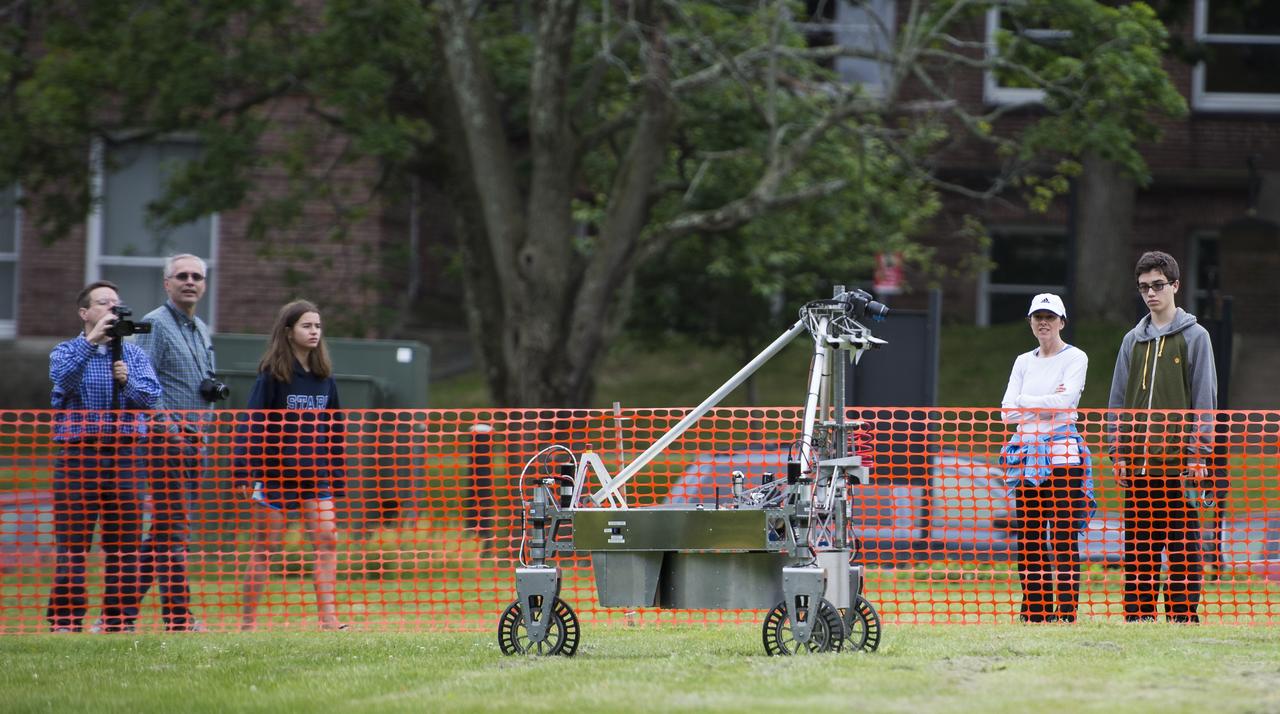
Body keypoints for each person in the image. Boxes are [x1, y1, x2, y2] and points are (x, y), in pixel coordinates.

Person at [1108, 251, 1217, 623]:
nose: (1150, 293)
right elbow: (1117, 400)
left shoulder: (1196, 337)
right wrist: (1117, 452)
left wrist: (1198, 455)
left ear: (1175, 286)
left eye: (1157, 285)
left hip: (1181, 469)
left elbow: (1205, 400)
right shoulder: (1131, 341)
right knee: (1139, 547)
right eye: (1143, 287)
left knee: (1184, 548)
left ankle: (1182, 615)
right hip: (1138, 468)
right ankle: (1139, 615)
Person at [46, 281, 162, 632]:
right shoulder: (65, 351)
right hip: (80, 456)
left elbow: (150, 398)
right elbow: (62, 383)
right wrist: (91, 342)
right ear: (85, 313)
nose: (112, 308)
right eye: (103, 303)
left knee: (125, 544)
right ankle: (65, 620)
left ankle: (117, 619)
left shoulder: (134, 355)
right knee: (73, 543)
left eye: (116, 303)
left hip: (125, 457)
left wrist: (126, 382)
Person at [236, 300, 345, 631]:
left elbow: (335, 429)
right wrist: (243, 469)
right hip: (274, 478)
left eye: (317, 326)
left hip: (316, 478)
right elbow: (251, 424)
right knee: (265, 548)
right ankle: (248, 625)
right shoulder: (272, 376)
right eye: (306, 326)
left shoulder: (325, 378)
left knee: (328, 541)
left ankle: (329, 619)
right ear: (289, 332)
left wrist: (336, 475)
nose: (314, 332)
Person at [126, 254, 218, 632]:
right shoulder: (154, 324)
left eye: (197, 276)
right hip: (167, 441)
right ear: (167, 283)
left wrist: (201, 434)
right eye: (182, 276)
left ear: (205, 285)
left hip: (197, 441)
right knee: (174, 531)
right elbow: (142, 385)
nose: (190, 281)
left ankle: (117, 614)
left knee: (165, 530)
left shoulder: (202, 329)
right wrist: (170, 430)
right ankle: (179, 619)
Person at [999, 293, 1092, 623]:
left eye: (1050, 317)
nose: (1043, 322)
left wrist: (1026, 401)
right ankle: (1034, 610)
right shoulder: (1023, 361)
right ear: (1030, 322)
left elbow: (1067, 401)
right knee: (1030, 535)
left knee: (1063, 535)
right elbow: (1007, 413)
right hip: (1026, 457)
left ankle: (1066, 611)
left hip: (1064, 457)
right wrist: (1042, 404)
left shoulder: (1076, 357)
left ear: (1061, 322)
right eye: (1038, 317)